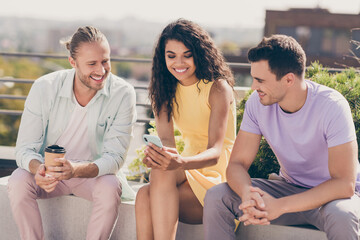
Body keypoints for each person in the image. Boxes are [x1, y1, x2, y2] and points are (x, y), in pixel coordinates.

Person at [203, 34, 360, 240]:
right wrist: (247, 194)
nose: (253, 87)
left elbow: (343, 184)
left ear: (288, 79)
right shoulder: (256, 104)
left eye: (260, 80)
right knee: (217, 196)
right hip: (289, 188)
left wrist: (280, 206)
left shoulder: (331, 106)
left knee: (343, 215)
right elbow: (237, 164)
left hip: (332, 199)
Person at [7, 26, 137, 240]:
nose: (101, 70)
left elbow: (115, 158)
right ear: (73, 63)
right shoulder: (44, 88)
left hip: (90, 175)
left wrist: (75, 170)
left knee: (111, 185)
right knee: (18, 180)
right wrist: (38, 169)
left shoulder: (123, 94)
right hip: (48, 173)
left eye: (105, 61)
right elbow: (24, 149)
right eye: (92, 64)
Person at [135, 19, 236, 240]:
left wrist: (179, 162)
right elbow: (167, 145)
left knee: (152, 188)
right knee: (144, 193)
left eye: (186, 55)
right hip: (186, 173)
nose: (178, 63)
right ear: (163, 58)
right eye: (171, 56)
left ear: (199, 53)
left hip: (218, 178)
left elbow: (216, 151)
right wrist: (156, 156)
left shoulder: (218, 88)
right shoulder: (164, 91)